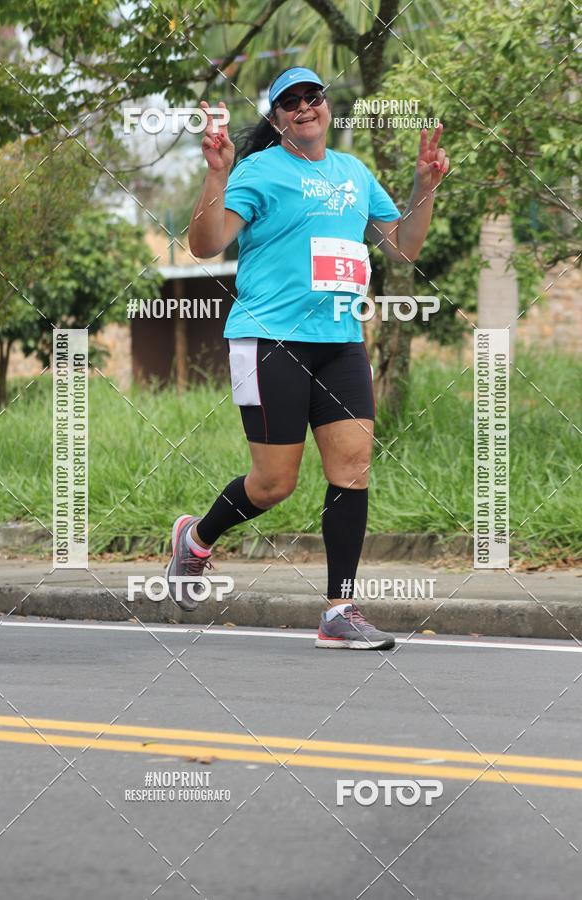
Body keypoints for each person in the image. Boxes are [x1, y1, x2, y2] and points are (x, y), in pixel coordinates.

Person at [167, 66, 449, 650]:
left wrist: (424, 187)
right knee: (273, 485)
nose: (304, 106)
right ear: (276, 118)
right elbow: (205, 244)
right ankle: (196, 538)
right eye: (290, 101)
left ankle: (339, 612)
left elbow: (405, 247)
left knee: (352, 470)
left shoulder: (353, 172)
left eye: (312, 97)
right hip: (268, 339)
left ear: (325, 106)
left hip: (341, 341)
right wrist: (217, 175)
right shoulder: (260, 171)